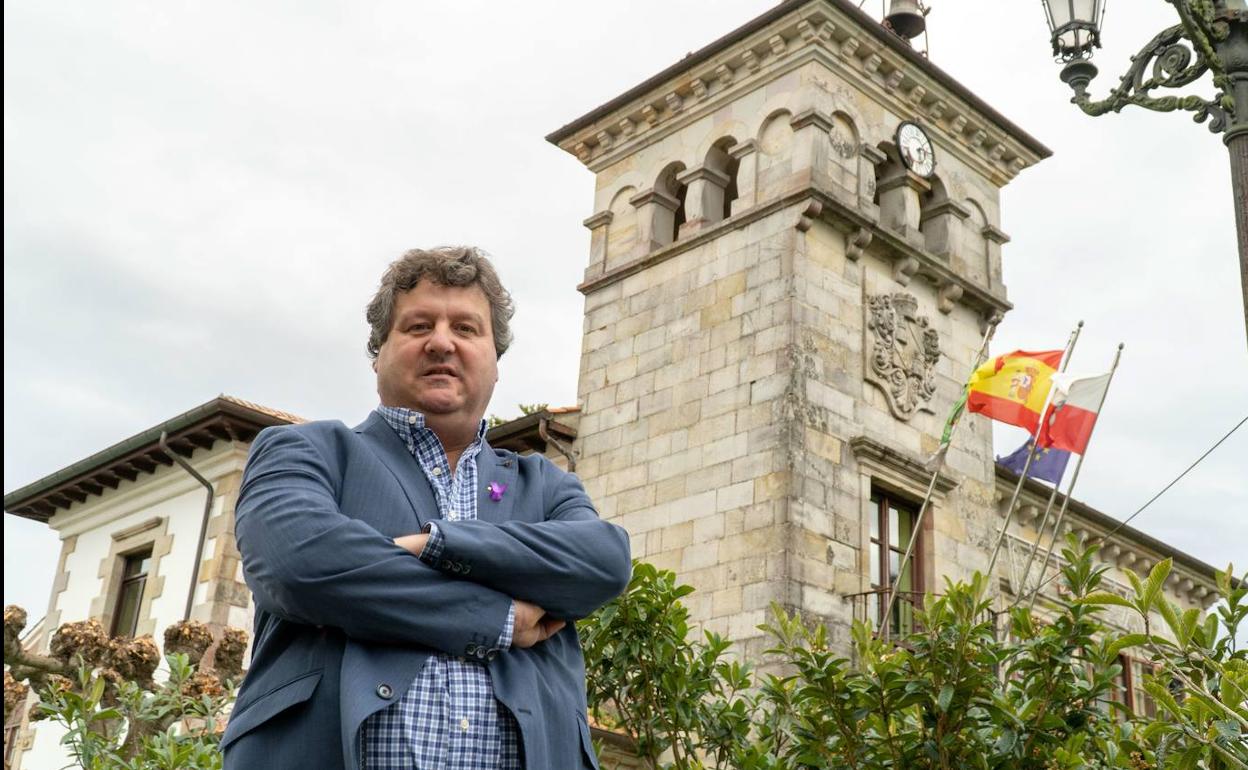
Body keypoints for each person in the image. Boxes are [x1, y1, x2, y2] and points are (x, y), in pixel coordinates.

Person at [222, 247, 632, 769]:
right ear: (378, 353)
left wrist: (440, 544)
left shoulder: (546, 486)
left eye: (465, 328)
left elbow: (603, 562)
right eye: (418, 326)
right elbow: (298, 563)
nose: (442, 342)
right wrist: (498, 617)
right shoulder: (305, 452)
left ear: (495, 362)